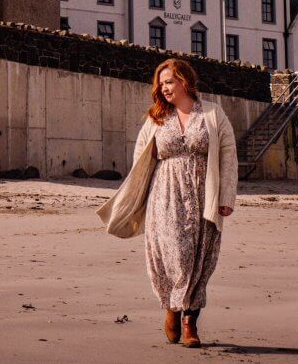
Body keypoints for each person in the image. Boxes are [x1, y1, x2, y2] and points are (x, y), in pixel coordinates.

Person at [97, 57, 238, 348]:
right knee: (175, 254)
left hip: (203, 194)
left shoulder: (213, 114)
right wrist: (138, 195)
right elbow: (141, 156)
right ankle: (173, 308)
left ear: (185, 81)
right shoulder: (157, 118)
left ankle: (190, 322)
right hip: (165, 194)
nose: (164, 89)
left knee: (200, 261)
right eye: (161, 84)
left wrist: (226, 197)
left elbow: (227, 155)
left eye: (169, 82)